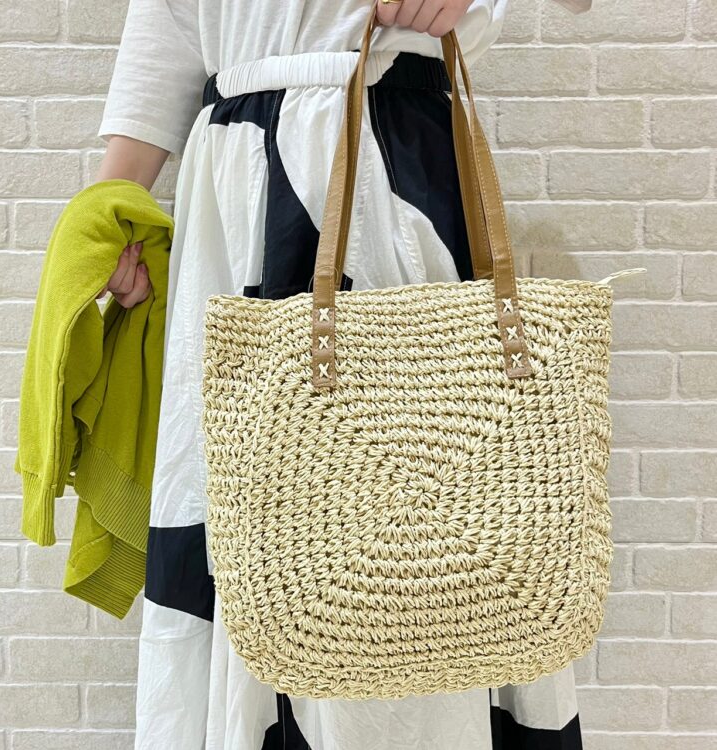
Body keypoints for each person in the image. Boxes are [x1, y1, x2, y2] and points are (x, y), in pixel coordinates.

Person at [93, 1, 585, 748]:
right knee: (250, 513)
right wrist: (113, 209)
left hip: (389, 159)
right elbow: (168, 25)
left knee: (414, 525)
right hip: (234, 182)